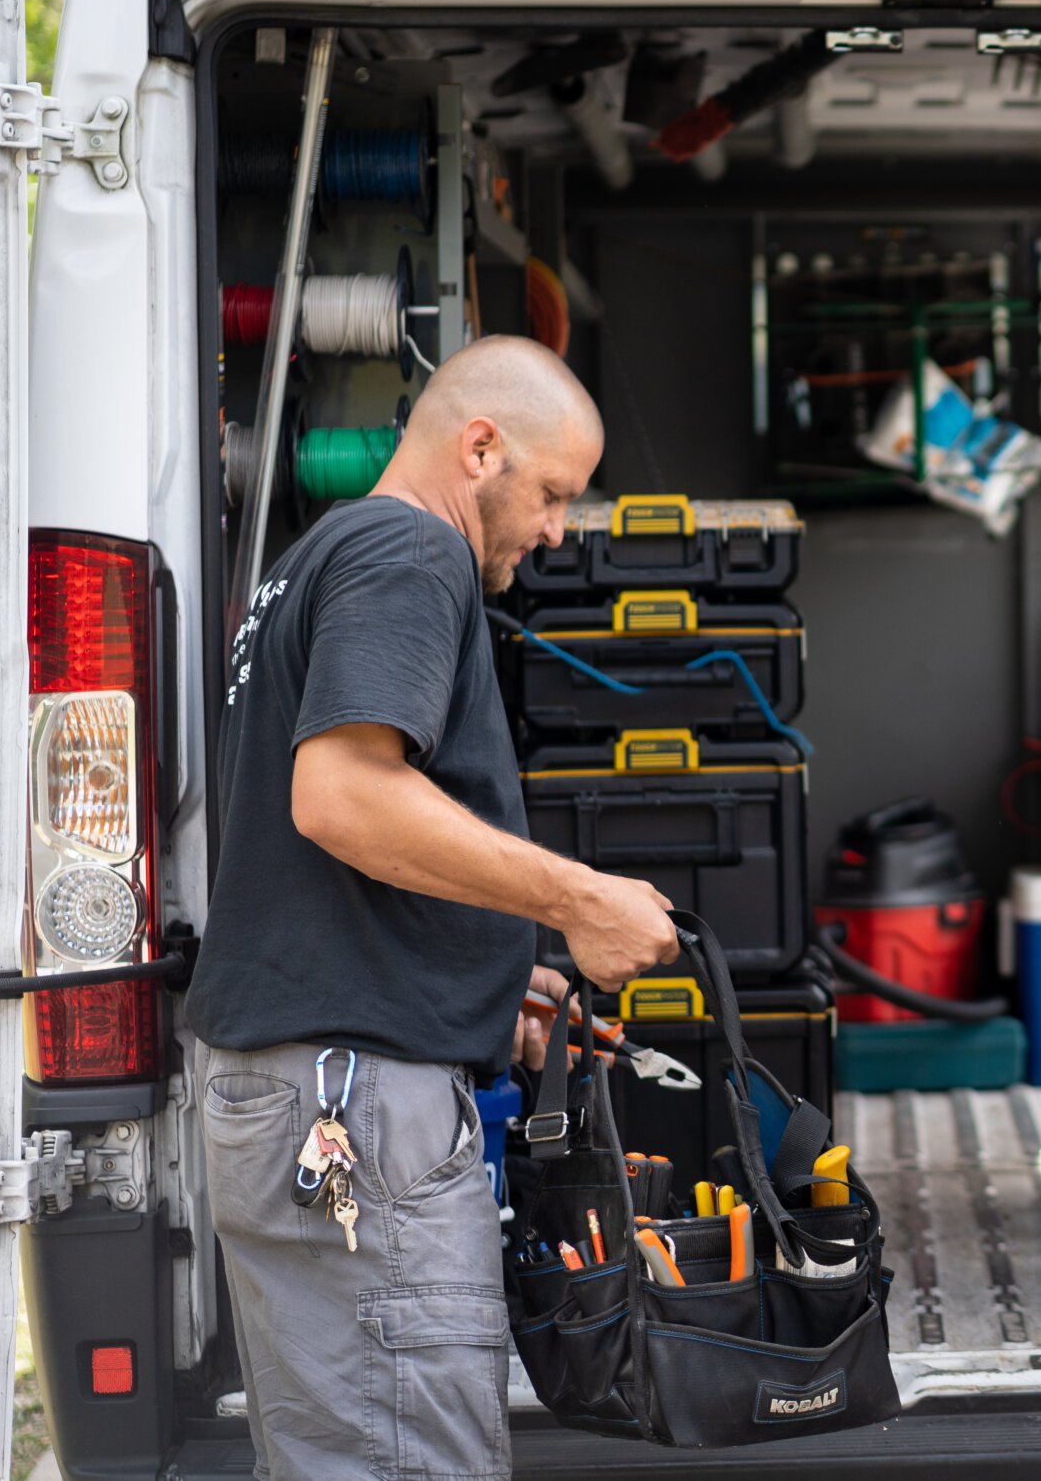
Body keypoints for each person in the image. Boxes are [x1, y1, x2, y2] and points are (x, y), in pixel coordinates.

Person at [185, 335, 681, 1481]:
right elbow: (343, 796)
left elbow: (320, 859)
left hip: (302, 1090)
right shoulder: (410, 552)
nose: (557, 529)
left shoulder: (321, 557)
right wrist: (577, 896)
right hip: (353, 1108)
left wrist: (491, 969)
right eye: (552, 492)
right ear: (480, 447)